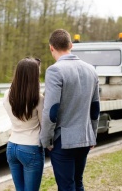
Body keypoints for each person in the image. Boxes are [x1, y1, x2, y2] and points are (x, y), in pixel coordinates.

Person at [40, 29, 100, 191]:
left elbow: (51, 110)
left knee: (66, 186)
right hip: (85, 137)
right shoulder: (91, 70)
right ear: (71, 45)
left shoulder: (55, 70)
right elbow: (95, 108)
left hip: (63, 141)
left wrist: (46, 140)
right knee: (78, 182)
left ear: (51, 47)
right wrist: (93, 134)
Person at [3, 57, 44, 191]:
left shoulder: (7, 95)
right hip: (30, 148)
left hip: (11, 146)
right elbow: (44, 125)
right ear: (34, 76)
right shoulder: (38, 98)